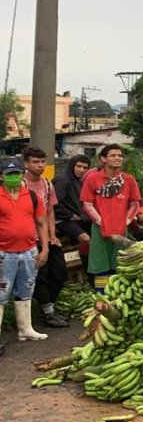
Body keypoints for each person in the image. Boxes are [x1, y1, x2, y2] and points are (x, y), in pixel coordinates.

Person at [0, 157, 50, 349]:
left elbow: (41, 223)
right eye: (9, 174)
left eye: (17, 173)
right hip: (4, 253)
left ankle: (25, 330)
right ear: (2, 177)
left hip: (29, 252)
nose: (13, 177)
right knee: (1, 293)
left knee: (26, 290)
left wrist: (44, 248)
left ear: (22, 175)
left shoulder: (31, 196)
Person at [80, 145, 143, 293]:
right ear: (103, 159)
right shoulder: (93, 179)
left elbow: (135, 205)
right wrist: (103, 223)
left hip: (122, 230)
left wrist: (125, 222)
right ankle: (103, 297)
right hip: (99, 229)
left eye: (120, 155)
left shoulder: (128, 180)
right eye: (113, 155)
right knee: (100, 266)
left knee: (120, 264)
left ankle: (118, 296)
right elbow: (87, 205)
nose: (117, 158)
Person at [23, 148, 68, 328]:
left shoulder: (47, 184)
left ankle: (49, 307)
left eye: (42, 161)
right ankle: (48, 312)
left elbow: (49, 211)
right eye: (35, 162)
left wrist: (52, 236)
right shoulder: (21, 185)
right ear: (26, 164)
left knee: (59, 272)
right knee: (39, 276)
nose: (40, 165)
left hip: (46, 237)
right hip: (28, 239)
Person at [54, 155, 92, 285]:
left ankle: (90, 275)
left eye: (85, 168)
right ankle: (90, 273)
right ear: (72, 166)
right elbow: (55, 204)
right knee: (87, 240)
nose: (81, 170)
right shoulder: (62, 180)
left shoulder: (79, 182)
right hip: (63, 221)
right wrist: (70, 215)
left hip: (77, 220)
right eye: (78, 166)